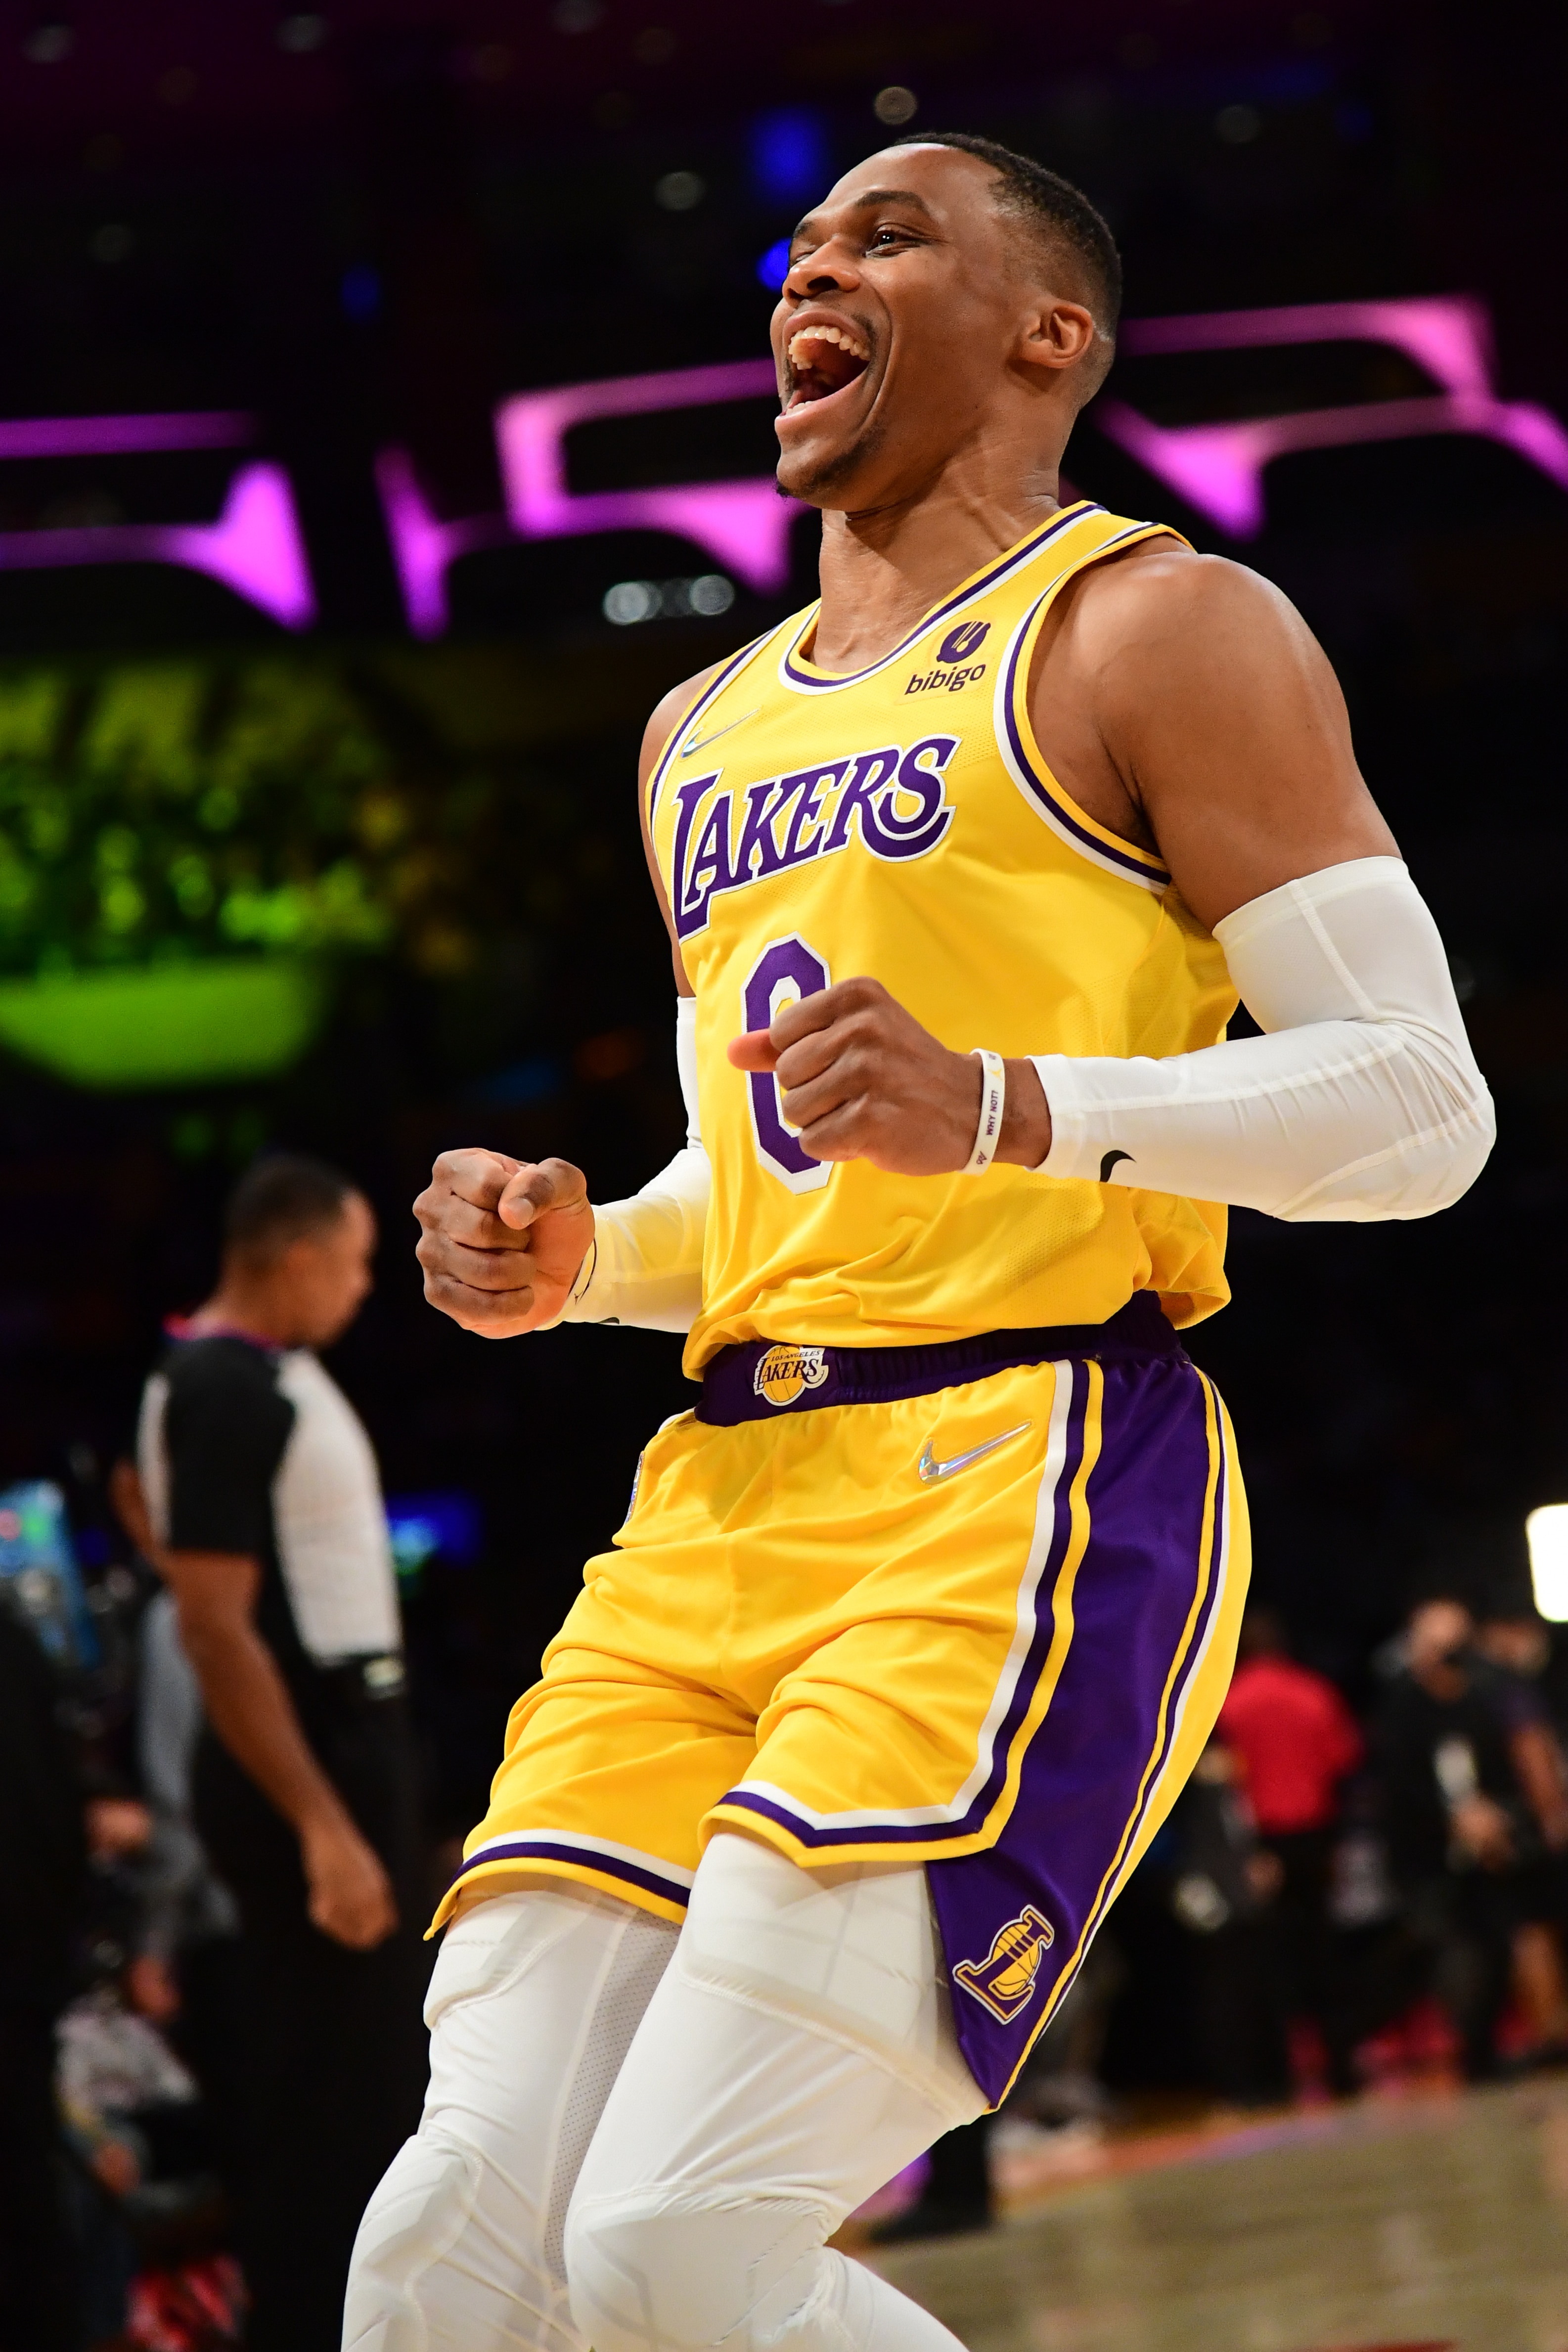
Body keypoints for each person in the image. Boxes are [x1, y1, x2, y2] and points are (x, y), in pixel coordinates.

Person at [348, 133, 1492, 2352]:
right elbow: (750, 1207)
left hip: (1018, 1476)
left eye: (882, 235)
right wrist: (572, 1253)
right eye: (794, 249)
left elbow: (1418, 1103)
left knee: (665, 2244)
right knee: (440, 2256)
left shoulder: (1157, 621)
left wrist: (1008, 1101)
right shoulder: (701, 726)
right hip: (711, 1501)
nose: (808, 270)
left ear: (1046, 331)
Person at [137, 1154, 428, 2352]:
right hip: (307, 1746)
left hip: (344, 1727)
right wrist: (321, 1822)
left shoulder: (247, 1374)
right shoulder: (224, 1385)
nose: (364, 1287)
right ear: (296, 1253)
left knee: (361, 2075)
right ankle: (333, 2323)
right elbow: (210, 1623)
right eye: (356, 1261)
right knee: (332, 2094)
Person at [1218, 1606, 1364, 2089]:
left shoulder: (1230, 1704)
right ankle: (1343, 2068)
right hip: (1318, 1838)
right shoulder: (1313, 1692)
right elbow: (1344, 1760)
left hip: (1263, 1847)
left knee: (1275, 1962)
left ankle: (1282, 2076)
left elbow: (1225, 1788)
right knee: (1327, 1953)